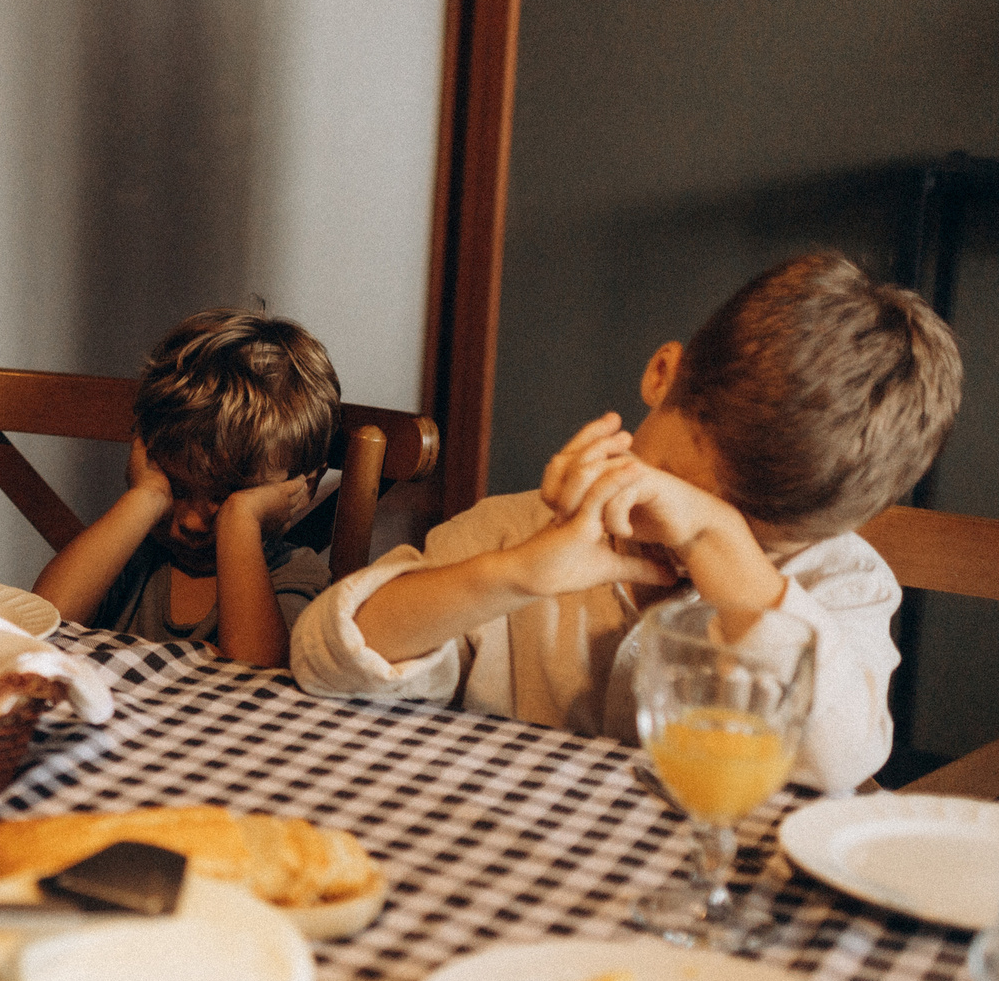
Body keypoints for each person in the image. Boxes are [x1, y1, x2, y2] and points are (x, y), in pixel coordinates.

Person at [290, 253, 961, 795]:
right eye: (674, 493)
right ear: (662, 375)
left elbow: (840, 760)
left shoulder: (840, 582)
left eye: (748, 541)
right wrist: (515, 575)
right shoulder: (521, 535)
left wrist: (721, 545)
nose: (681, 541)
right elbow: (323, 657)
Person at [33, 311, 338, 667]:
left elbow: (255, 676)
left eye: (225, 496)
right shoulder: (131, 555)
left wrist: (239, 520)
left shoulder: (295, 574)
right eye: (177, 487)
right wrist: (146, 496)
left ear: (306, 485)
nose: (192, 522)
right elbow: (36, 629)